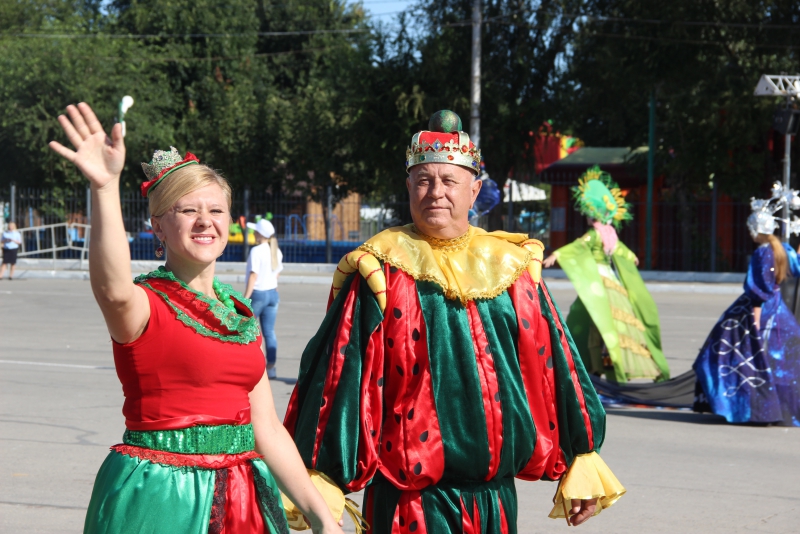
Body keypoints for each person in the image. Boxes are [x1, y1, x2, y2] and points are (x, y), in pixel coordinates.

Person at [283, 110, 625, 532]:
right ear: (408, 186)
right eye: (424, 181)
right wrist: (323, 472)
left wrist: (581, 455)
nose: (435, 193)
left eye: (449, 181)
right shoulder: (381, 268)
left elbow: (555, 361)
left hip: (494, 499)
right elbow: (341, 374)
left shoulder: (512, 267)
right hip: (408, 500)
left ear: (474, 190)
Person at [48, 103, 344, 533]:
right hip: (161, 498)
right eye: (187, 210)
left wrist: (321, 518)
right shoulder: (144, 303)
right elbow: (112, 290)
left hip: (244, 500)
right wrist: (105, 187)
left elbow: (267, 429)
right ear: (158, 227)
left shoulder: (241, 317)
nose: (205, 220)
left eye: (216, 210)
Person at [542, 166, 669, 383]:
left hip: (598, 283)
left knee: (591, 325)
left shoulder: (594, 234)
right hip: (611, 282)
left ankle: (588, 368)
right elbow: (620, 250)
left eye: (588, 213)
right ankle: (604, 368)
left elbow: (578, 246)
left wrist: (557, 255)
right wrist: (632, 257)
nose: (586, 217)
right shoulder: (610, 233)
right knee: (610, 328)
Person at [694, 182, 800, 426]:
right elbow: (796, 269)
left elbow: (758, 290)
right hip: (779, 311)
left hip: (758, 310)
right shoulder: (783, 249)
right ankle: (779, 408)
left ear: (756, 230)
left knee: (722, 352)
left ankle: (749, 407)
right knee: (781, 360)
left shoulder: (763, 253)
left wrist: (754, 319)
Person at [244, 218, 283, 379]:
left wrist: (245, 298)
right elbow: (278, 272)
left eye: (255, 230)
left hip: (258, 294)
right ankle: (271, 367)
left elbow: (254, 275)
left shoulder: (256, 251)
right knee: (269, 332)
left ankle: (248, 365)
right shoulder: (275, 251)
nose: (253, 232)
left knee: (247, 330)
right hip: (273, 294)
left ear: (260, 234)